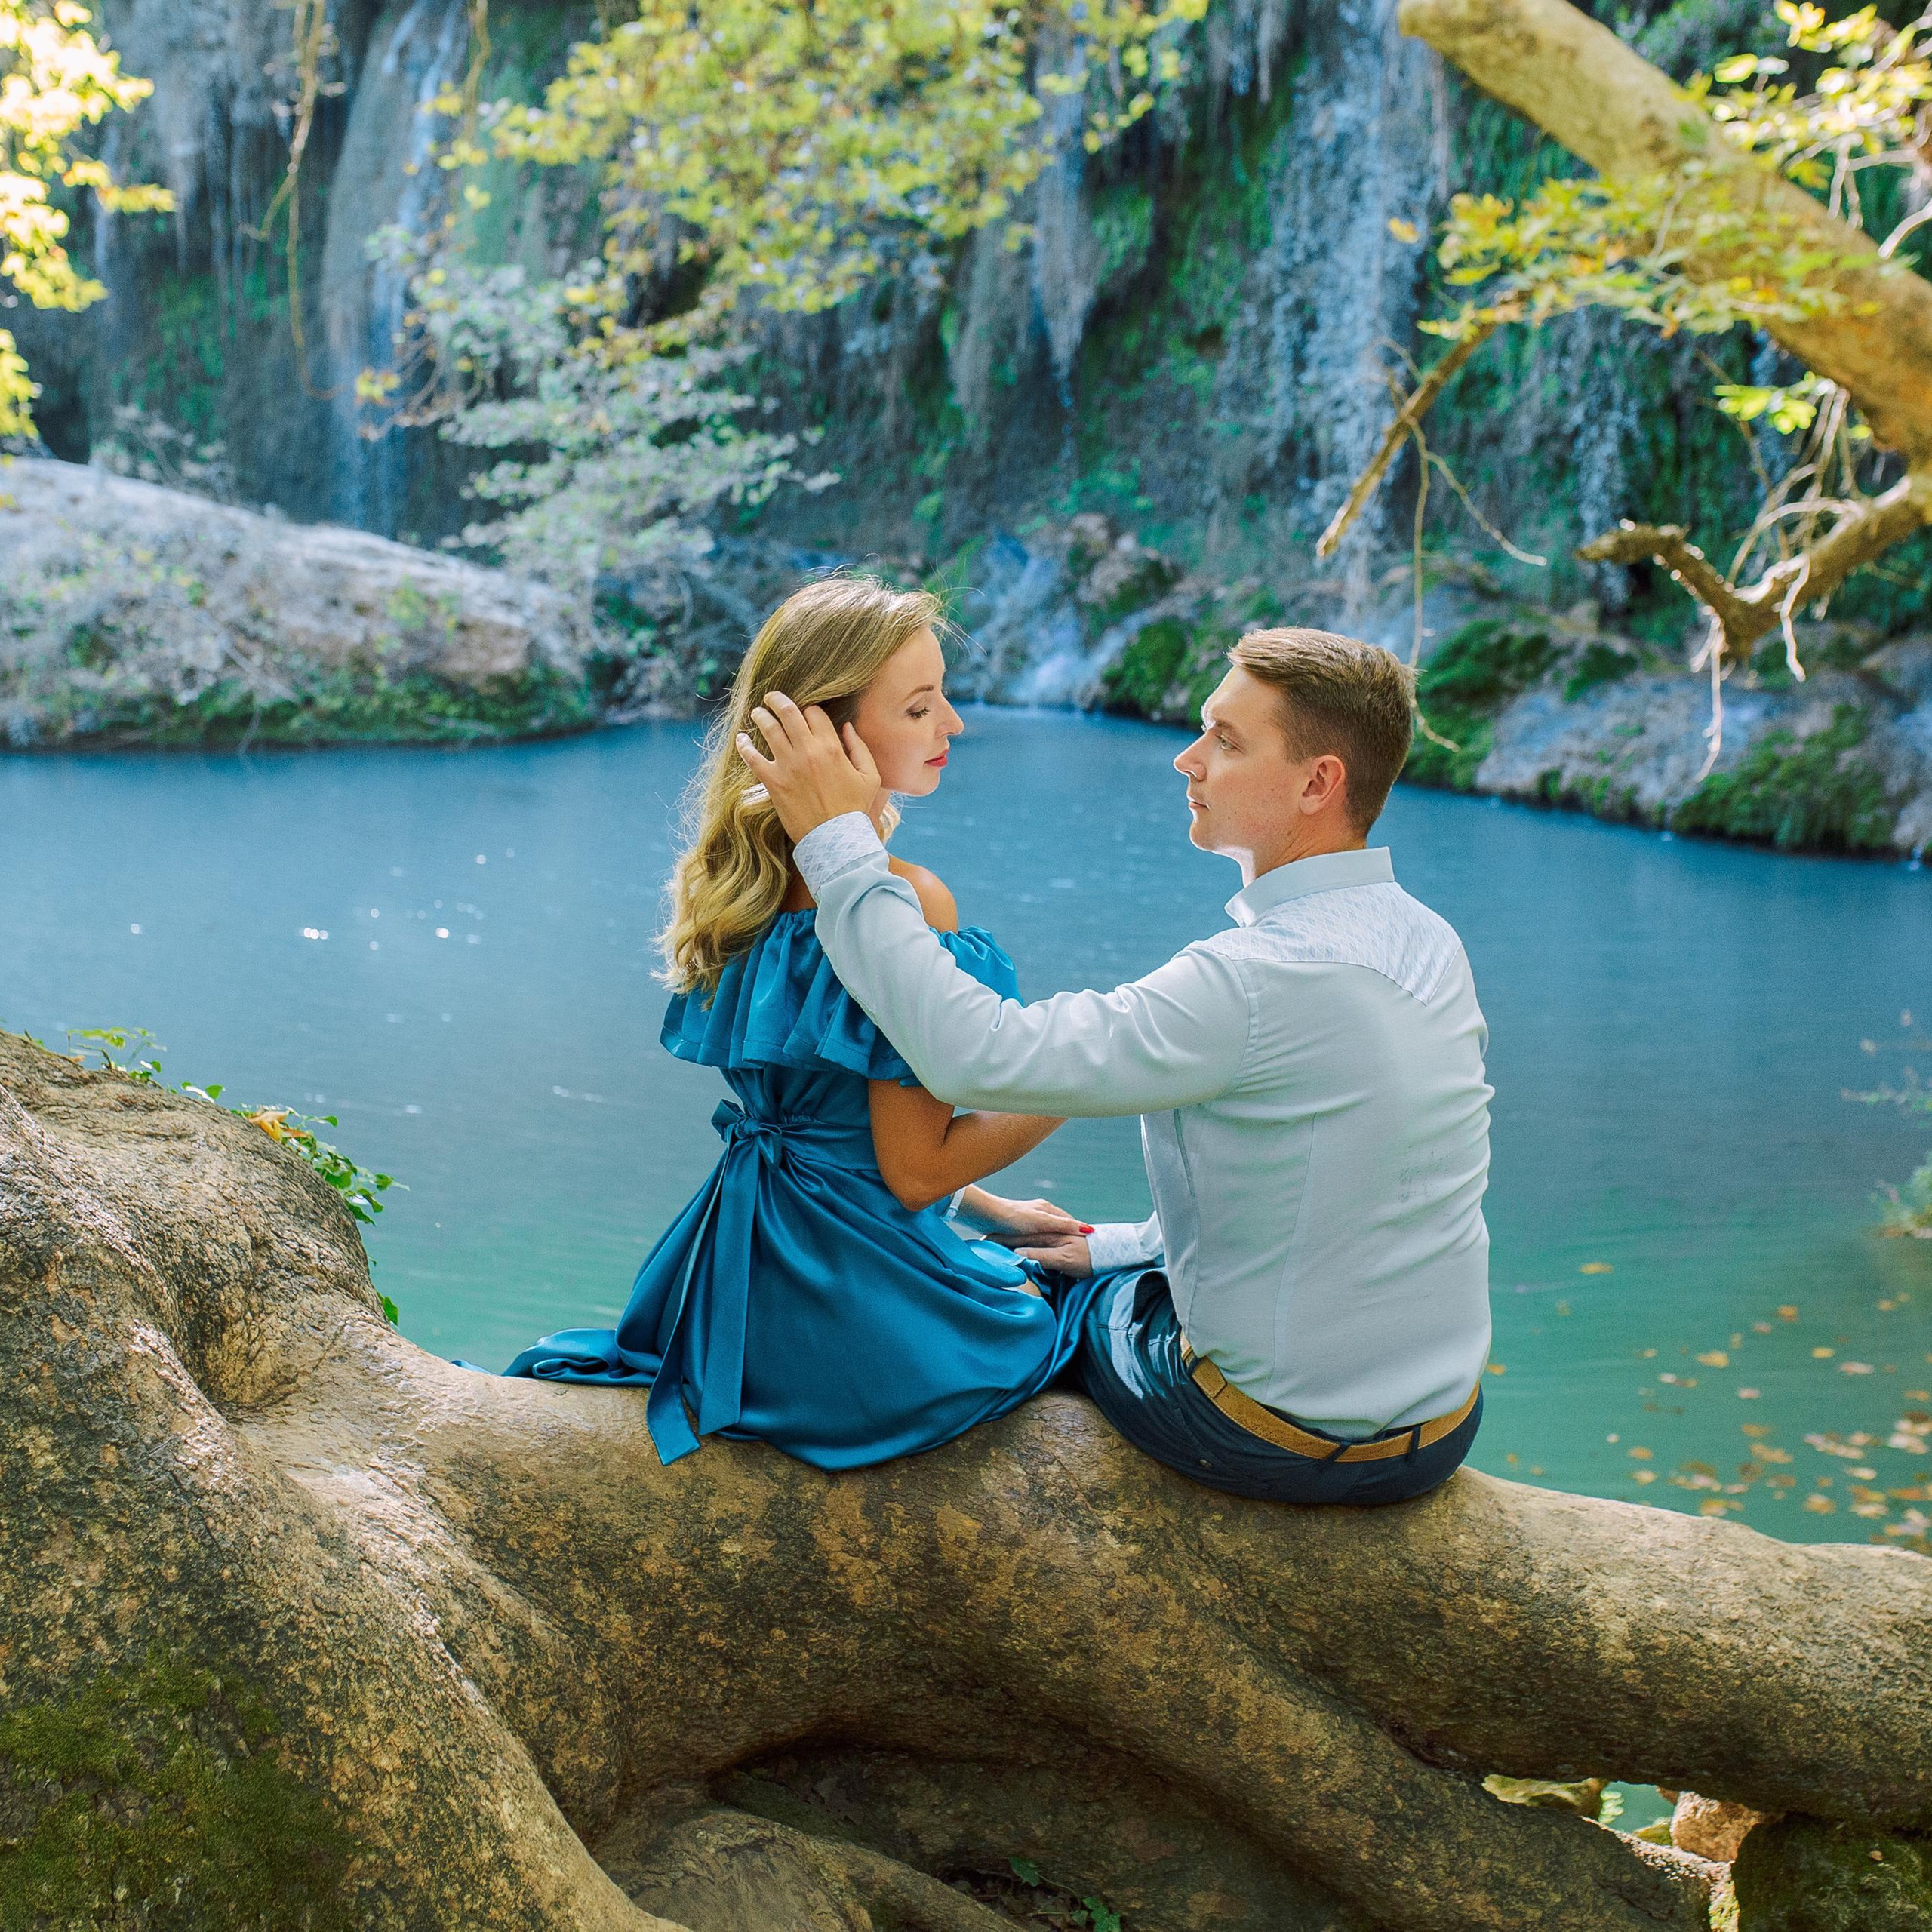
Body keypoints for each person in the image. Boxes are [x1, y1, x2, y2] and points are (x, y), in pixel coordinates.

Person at [738, 627, 1494, 1505]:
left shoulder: (1251, 982)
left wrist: (837, 844)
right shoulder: (1426, 940)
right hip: (1440, 1420)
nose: (1187, 758)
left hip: (1272, 1435)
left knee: (1011, 1307)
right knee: (1077, 1264)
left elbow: (967, 1057)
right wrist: (1123, 1247)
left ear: (1318, 782)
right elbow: (1351, 1183)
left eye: (1225, 739)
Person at [493, 574, 1105, 1469]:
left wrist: (996, 1212)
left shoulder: (742, 884)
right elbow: (910, 1167)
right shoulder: (903, 903)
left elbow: (832, 1127)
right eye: (921, 707)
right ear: (828, 731)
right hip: (858, 1309)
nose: (954, 726)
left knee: (1039, 1259)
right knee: (1088, 1302)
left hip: (728, 1279)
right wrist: (1079, 1072)